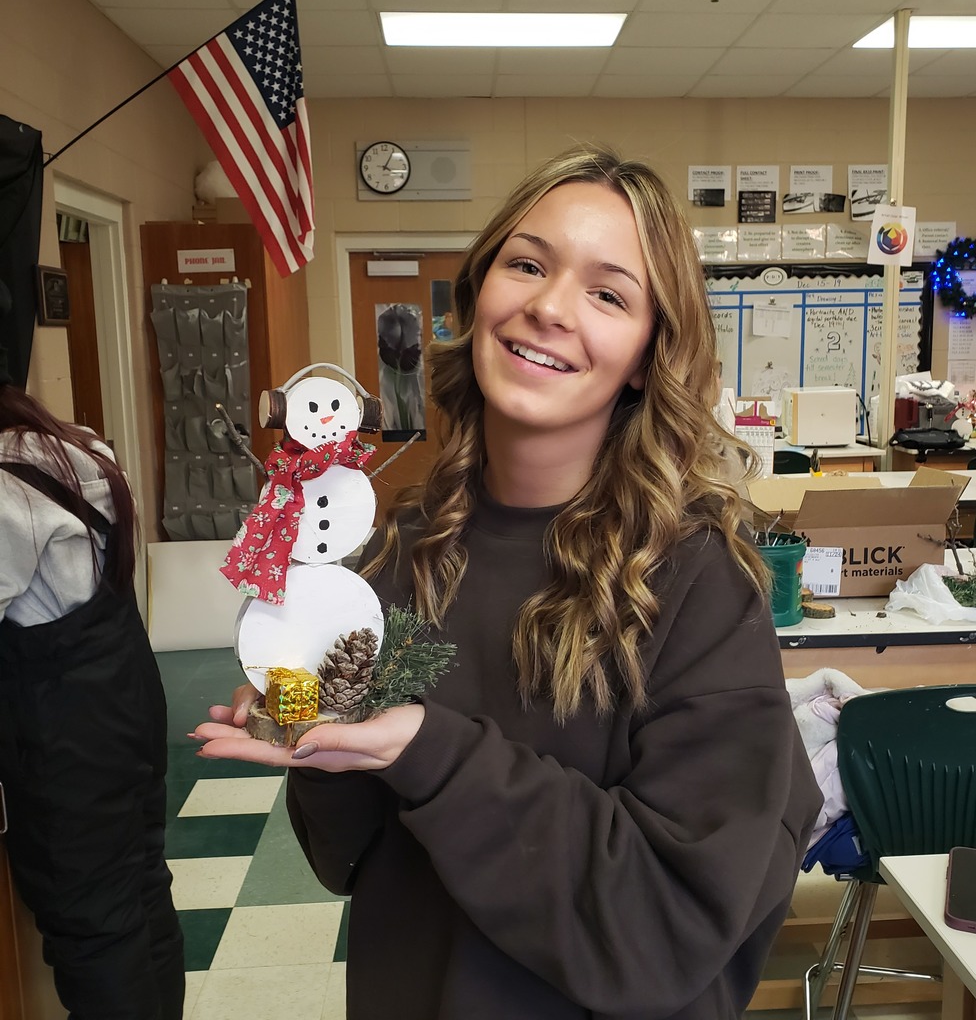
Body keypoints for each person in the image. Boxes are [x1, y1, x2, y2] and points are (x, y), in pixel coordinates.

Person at [194, 146, 822, 1019]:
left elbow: (668, 922)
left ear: (647, 356)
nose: (549, 307)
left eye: (608, 294)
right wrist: (319, 740)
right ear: (477, 295)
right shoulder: (397, 553)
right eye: (527, 264)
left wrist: (433, 752)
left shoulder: (695, 582)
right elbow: (347, 861)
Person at [0, 335, 185, 1019]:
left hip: (65, 729)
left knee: (94, 926)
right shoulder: (70, 446)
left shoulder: (3, 484)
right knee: (141, 885)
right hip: (126, 696)